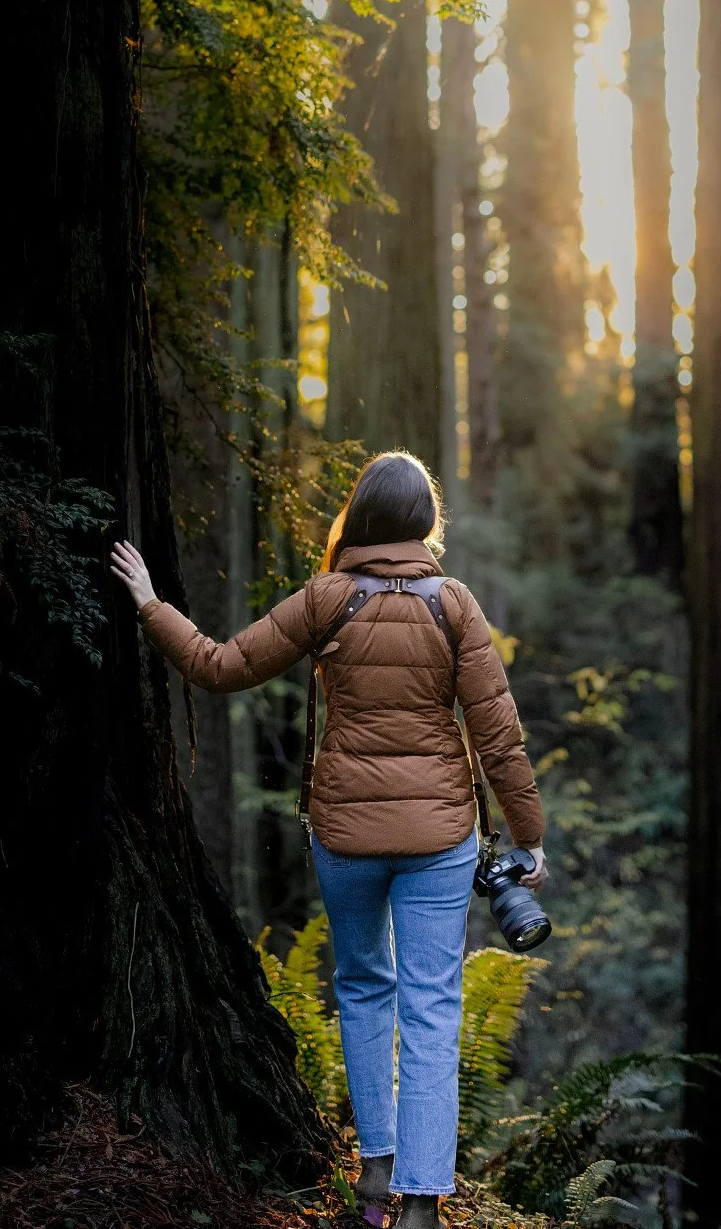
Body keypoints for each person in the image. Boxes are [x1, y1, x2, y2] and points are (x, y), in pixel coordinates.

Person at [111, 449, 546, 1228]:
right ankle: (420, 1205)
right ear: (423, 522)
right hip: (440, 836)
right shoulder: (455, 605)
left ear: (359, 518)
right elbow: (498, 737)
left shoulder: (326, 599)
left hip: (344, 833)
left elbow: (217, 666)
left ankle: (373, 1176)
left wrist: (150, 604)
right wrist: (528, 834)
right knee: (433, 1009)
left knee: (362, 989)